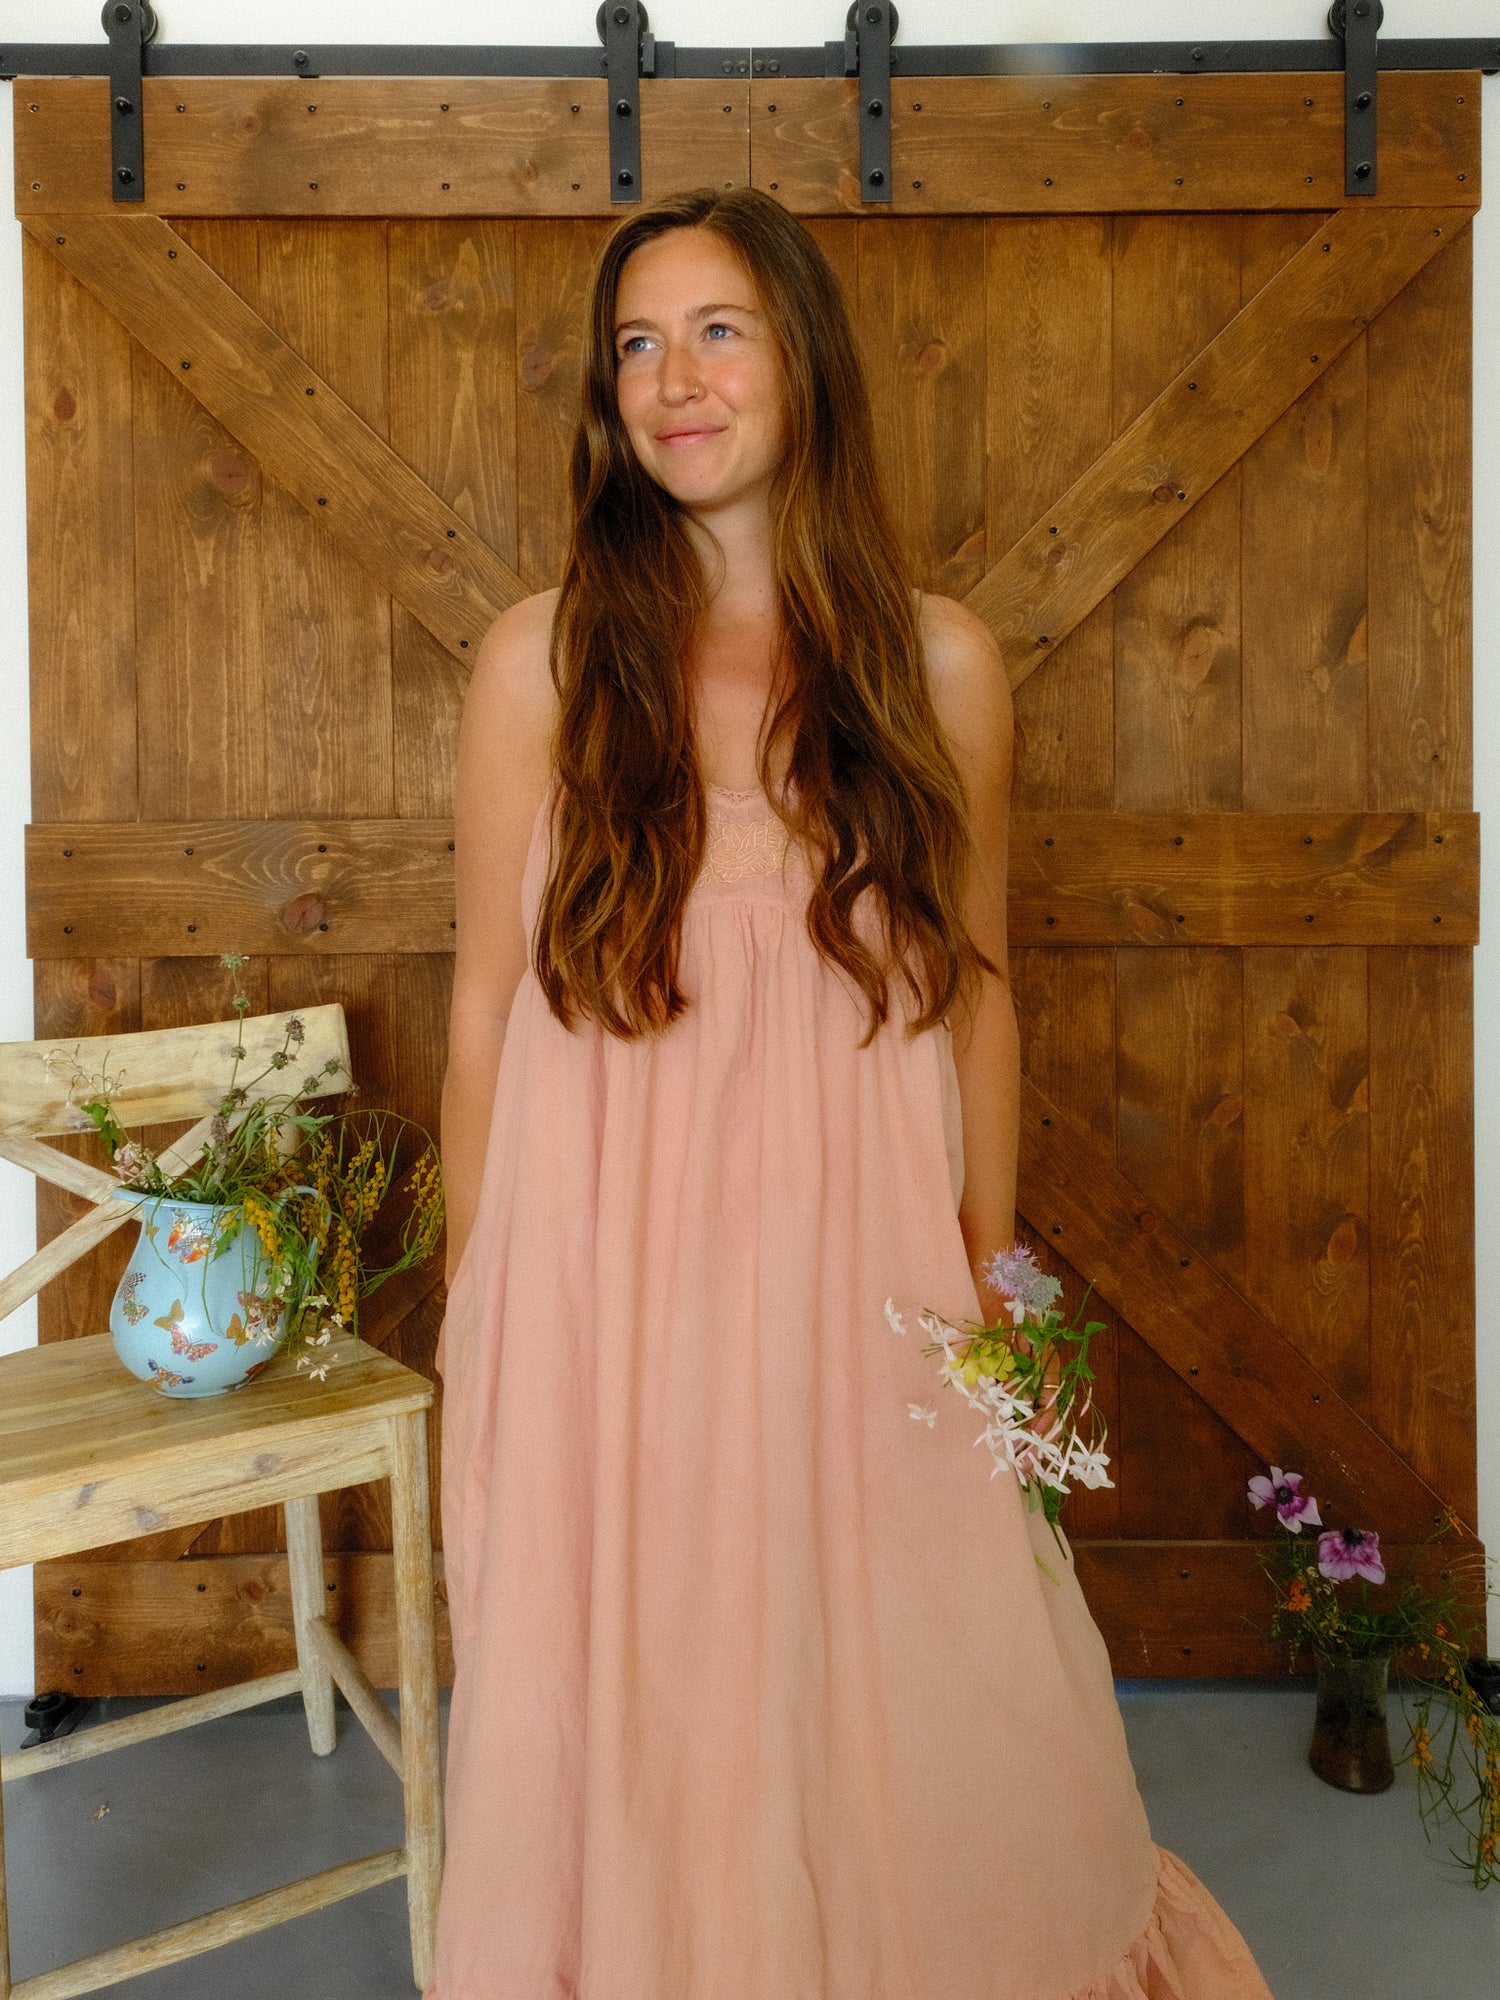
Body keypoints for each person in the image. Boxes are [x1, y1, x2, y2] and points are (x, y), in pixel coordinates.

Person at [428, 184, 1273, 2000]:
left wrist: (985, 1279)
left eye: (717, 331)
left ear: (803, 357)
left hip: (859, 1273)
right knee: (642, 1669)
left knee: (926, 1655)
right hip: (607, 1289)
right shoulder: (540, 663)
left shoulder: (934, 664)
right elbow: (486, 1008)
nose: (674, 380)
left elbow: (979, 995)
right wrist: (481, 1301)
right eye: (638, 345)